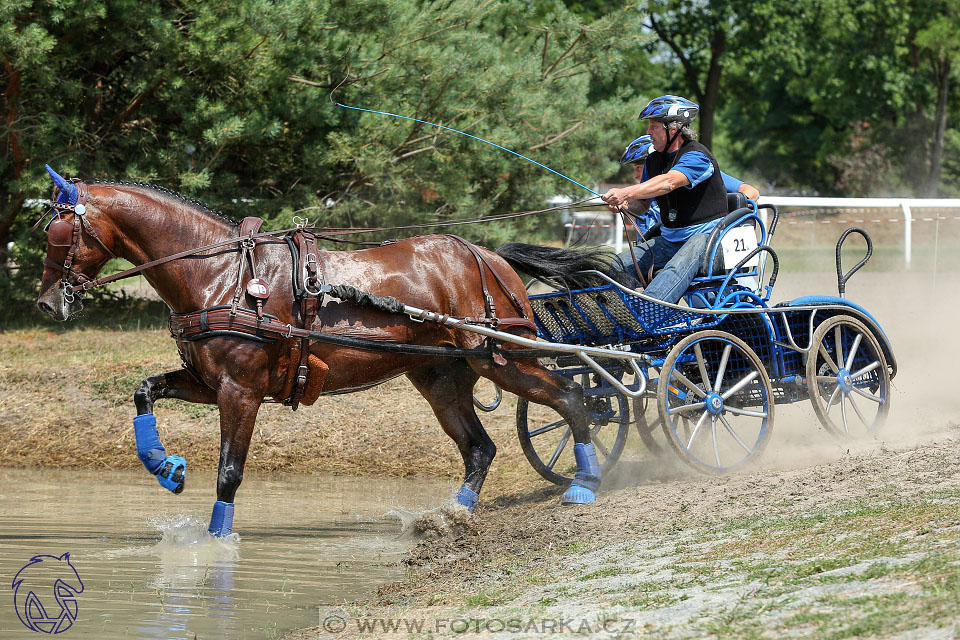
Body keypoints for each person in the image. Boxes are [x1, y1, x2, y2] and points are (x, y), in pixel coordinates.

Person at [603, 95, 760, 303]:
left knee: (673, 271)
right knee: (614, 267)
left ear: (673, 128)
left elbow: (669, 182)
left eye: (654, 126)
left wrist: (626, 192)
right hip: (670, 239)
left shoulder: (698, 157)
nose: (648, 132)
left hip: (708, 240)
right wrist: (625, 204)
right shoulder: (653, 160)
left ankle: (647, 313)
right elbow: (642, 206)